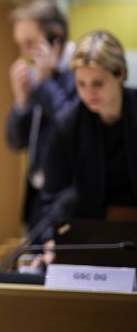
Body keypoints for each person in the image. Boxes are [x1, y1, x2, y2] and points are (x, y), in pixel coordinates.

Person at [43, 30, 137, 223]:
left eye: (98, 83)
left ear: (120, 73)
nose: (89, 93)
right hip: (88, 229)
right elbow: (54, 193)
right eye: (81, 84)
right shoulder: (66, 124)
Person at [5, 0, 78, 230]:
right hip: (36, 199)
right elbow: (15, 142)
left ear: (55, 37)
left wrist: (45, 82)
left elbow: (72, 130)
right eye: (19, 44)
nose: (23, 53)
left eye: (30, 43)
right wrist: (22, 101)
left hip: (68, 198)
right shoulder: (36, 76)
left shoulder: (80, 71)